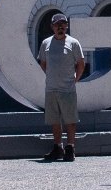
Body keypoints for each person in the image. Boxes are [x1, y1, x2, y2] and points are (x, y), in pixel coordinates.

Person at [36, 13, 84, 162]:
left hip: (67, 89)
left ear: (67, 26)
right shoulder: (46, 43)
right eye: (57, 25)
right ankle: (58, 148)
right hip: (51, 89)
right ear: (52, 27)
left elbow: (81, 63)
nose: (60, 27)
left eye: (63, 24)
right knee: (54, 120)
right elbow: (43, 63)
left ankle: (70, 148)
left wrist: (76, 79)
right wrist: (51, 76)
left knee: (70, 120)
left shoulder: (73, 43)